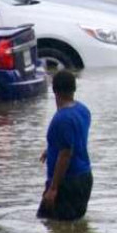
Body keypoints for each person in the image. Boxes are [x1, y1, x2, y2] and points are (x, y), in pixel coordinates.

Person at [37, 70, 93, 221]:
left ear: (54, 90)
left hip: (67, 183)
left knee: (51, 227)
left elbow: (66, 154)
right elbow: (74, 139)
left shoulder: (62, 119)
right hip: (85, 178)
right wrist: (50, 149)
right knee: (69, 230)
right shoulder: (83, 110)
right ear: (74, 89)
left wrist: (53, 189)